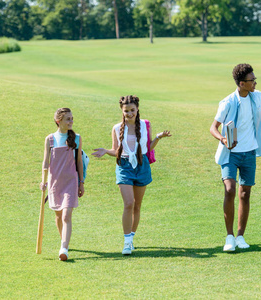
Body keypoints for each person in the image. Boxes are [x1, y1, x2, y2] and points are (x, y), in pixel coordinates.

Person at [92, 95, 171, 255]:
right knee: (128, 203)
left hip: (142, 166)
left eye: (132, 110)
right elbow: (116, 150)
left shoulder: (144, 125)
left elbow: (148, 148)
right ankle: (127, 242)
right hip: (124, 166)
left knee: (137, 205)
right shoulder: (116, 128)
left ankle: (132, 237)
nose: (129, 113)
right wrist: (106, 151)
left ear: (137, 109)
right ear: (122, 111)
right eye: (126, 111)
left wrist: (158, 137)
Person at [210, 63, 261, 252]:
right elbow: (213, 127)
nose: (255, 83)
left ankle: (240, 236)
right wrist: (223, 139)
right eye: (252, 80)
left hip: (249, 153)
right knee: (230, 189)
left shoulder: (258, 97)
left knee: (245, 194)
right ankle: (229, 236)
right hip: (230, 154)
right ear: (241, 83)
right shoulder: (228, 102)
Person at [40, 108, 85, 261]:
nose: (71, 122)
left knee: (66, 215)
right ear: (58, 121)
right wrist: (43, 181)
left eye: (72, 118)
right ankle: (63, 240)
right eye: (68, 119)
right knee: (58, 215)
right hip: (55, 183)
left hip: (71, 182)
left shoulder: (77, 138)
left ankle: (64, 248)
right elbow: (46, 162)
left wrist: (81, 182)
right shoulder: (50, 139)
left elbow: (79, 162)